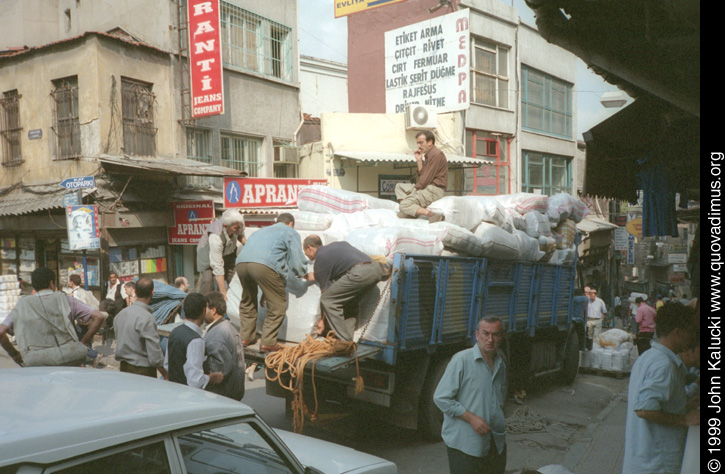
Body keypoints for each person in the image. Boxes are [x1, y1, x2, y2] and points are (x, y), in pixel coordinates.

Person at [622, 302, 700, 474]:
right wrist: (684, 420)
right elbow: (644, 410)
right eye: (690, 332)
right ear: (677, 333)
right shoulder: (664, 365)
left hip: (643, 462)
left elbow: (658, 403)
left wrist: (684, 406)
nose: (692, 337)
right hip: (655, 465)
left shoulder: (648, 357)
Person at [434, 317, 507, 474]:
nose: (490, 339)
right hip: (466, 445)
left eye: (495, 334)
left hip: (496, 442)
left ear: (501, 337)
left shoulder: (501, 363)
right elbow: (441, 397)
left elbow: (499, 398)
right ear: (476, 334)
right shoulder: (461, 360)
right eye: (485, 333)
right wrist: (471, 418)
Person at [0, 267, 106, 367]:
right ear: (51, 283)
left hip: (37, 360)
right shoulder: (65, 299)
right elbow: (99, 316)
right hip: (70, 356)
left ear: (34, 285)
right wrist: (85, 342)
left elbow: (1, 332)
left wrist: (14, 354)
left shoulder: (22, 304)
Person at [235, 213, 308, 352]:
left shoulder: (260, 231)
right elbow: (297, 262)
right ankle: (268, 342)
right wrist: (303, 272)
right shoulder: (290, 232)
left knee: (248, 300)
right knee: (277, 304)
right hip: (264, 266)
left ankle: (245, 337)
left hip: (241, 263)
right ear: (291, 223)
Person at [302, 236, 391, 341]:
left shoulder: (320, 258)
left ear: (309, 248)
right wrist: (304, 275)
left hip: (360, 273)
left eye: (305, 252)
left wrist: (322, 320)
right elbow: (324, 273)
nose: (306, 255)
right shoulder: (335, 247)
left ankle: (344, 342)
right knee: (349, 303)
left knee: (328, 300)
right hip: (375, 269)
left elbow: (326, 293)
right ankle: (347, 340)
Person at [164, 292, 223, 389]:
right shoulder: (196, 341)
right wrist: (211, 377)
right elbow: (195, 381)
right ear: (203, 311)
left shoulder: (175, 332)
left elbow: (167, 365)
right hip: (187, 394)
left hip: (174, 390)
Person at [113, 278, 168, 379]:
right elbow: (154, 355)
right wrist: (165, 374)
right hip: (143, 371)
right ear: (152, 292)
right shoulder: (147, 318)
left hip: (124, 368)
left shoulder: (120, 315)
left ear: (135, 292)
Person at [394, 130, 447, 222]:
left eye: (421, 143)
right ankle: (409, 211)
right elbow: (422, 174)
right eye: (417, 143)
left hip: (433, 190)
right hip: (427, 187)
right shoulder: (429, 155)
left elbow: (425, 180)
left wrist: (414, 190)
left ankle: (432, 215)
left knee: (404, 204)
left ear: (430, 142)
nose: (419, 146)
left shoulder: (436, 154)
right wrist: (419, 160)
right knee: (399, 187)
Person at [203, 291, 245, 401]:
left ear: (213, 310)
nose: (202, 312)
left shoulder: (218, 334)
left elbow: (219, 370)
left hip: (223, 394)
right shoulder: (227, 326)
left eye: (205, 308)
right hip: (232, 390)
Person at [196, 209, 246, 299]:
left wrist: (248, 245)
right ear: (226, 226)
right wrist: (224, 294)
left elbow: (240, 235)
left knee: (235, 277)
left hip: (229, 251)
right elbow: (218, 267)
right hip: (207, 255)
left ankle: (239, 301)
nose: (240, 229)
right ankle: (206, 306)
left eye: (241, 226)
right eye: (236, 228)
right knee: (208, 281)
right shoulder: (215, 236)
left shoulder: (238, 223)